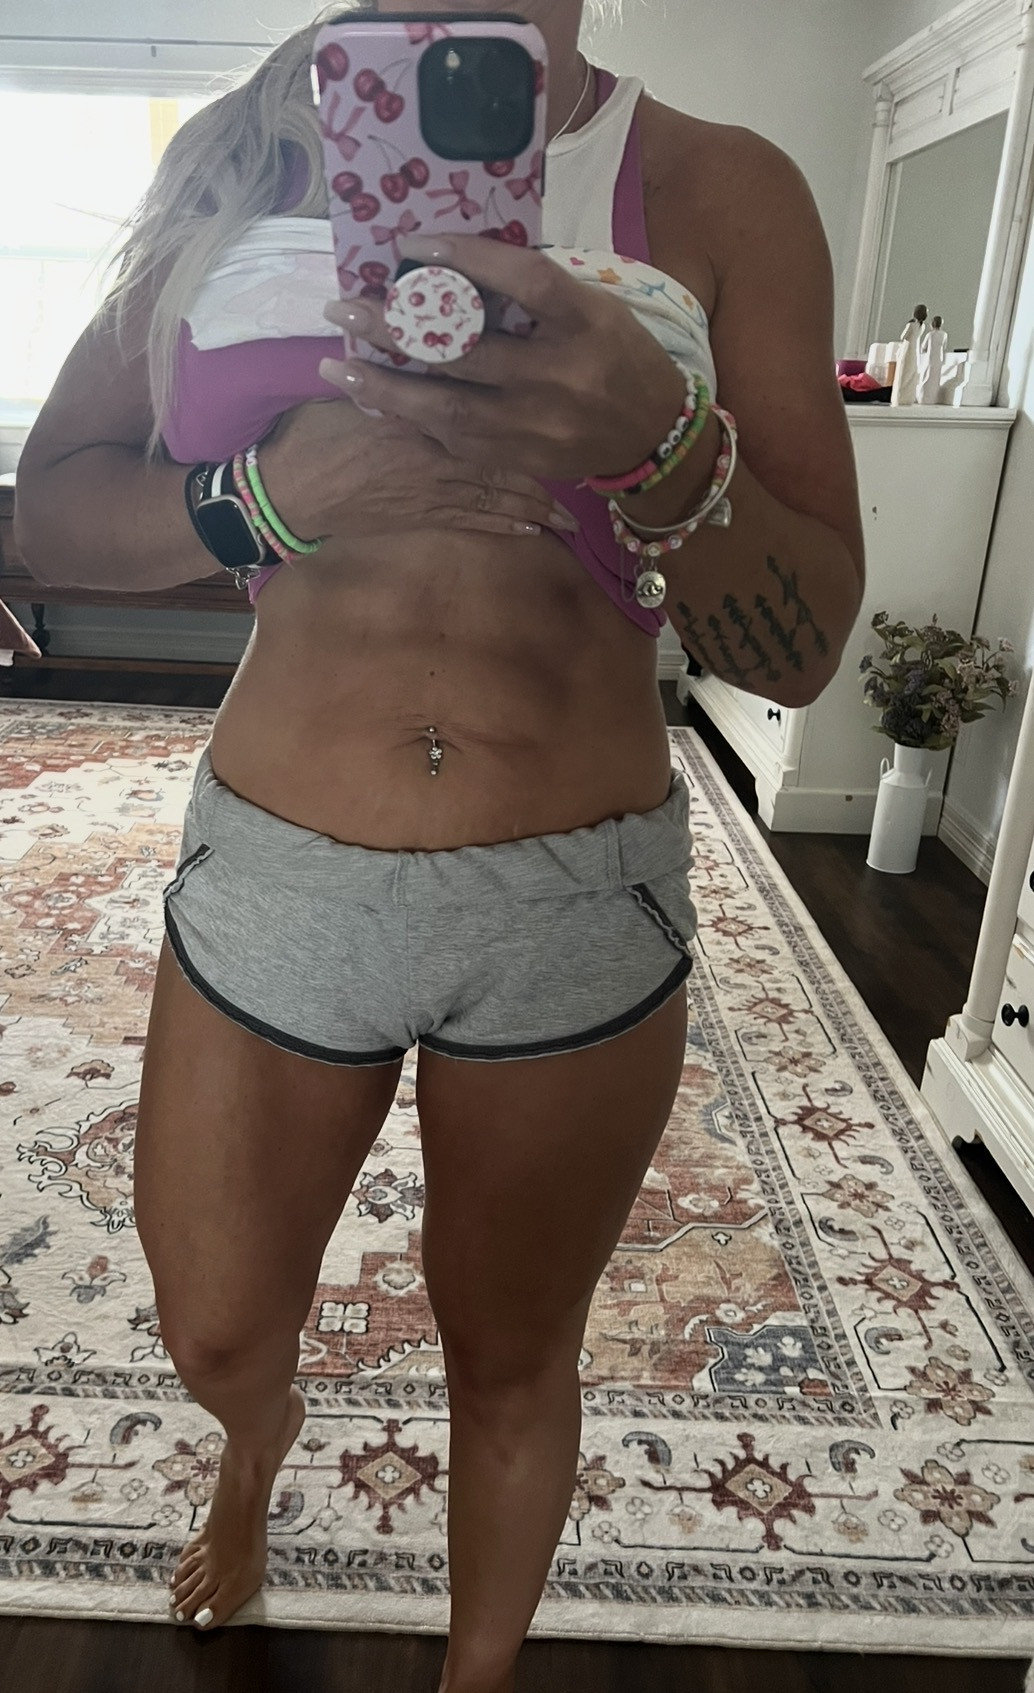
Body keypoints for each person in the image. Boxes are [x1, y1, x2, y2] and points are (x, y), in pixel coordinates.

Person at [13, 1, 865, 1687]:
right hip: (279, 862)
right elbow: (47, 514)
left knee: (511, 1351)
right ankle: (253, 1447)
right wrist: (264, 499)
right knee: (218, 1328)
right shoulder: (239, 158)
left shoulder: (722, 190)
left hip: (572, 889)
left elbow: (802, 645)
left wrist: (657, 446)